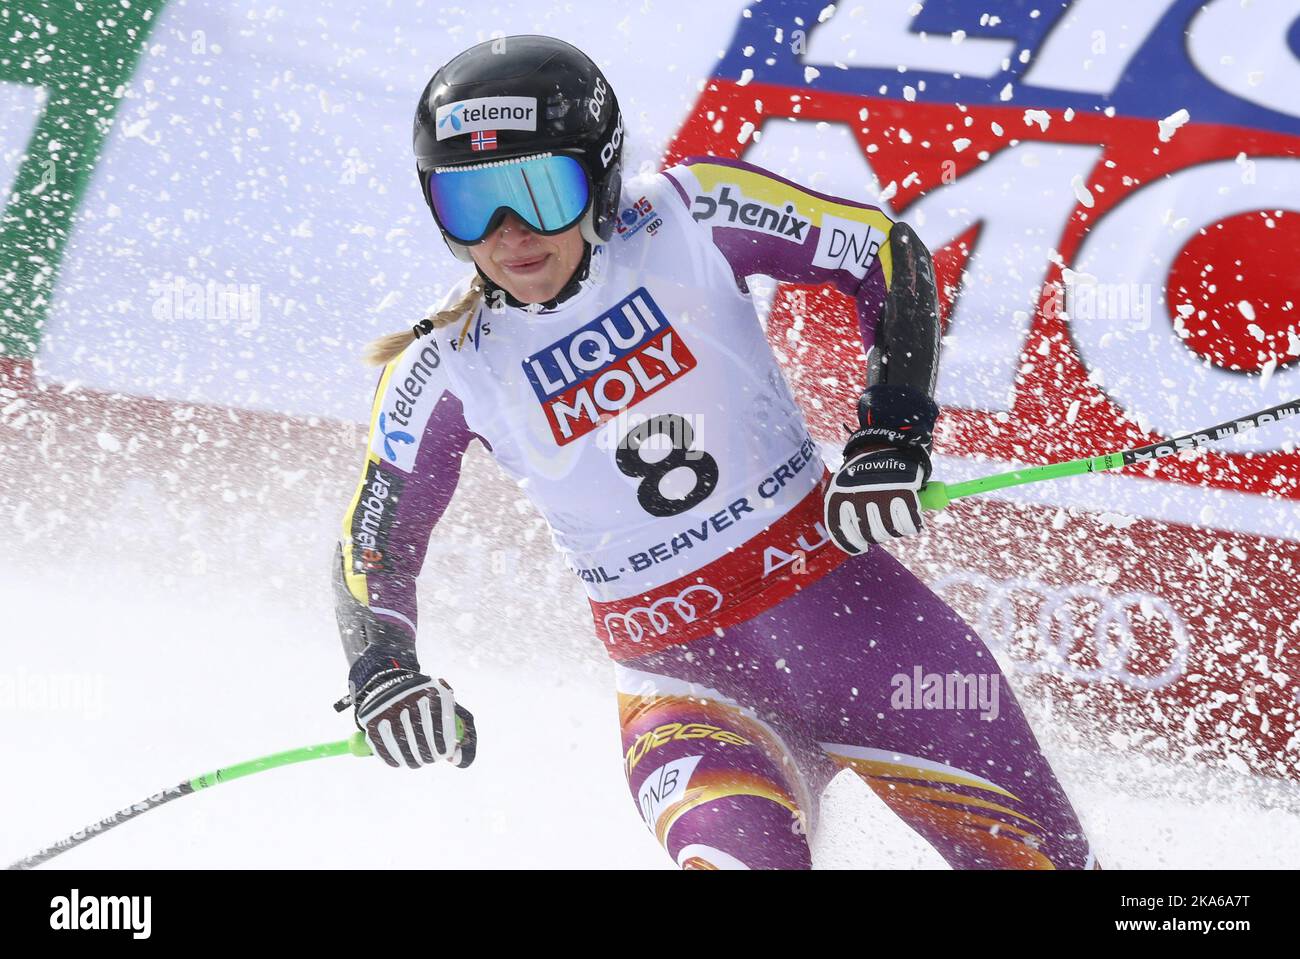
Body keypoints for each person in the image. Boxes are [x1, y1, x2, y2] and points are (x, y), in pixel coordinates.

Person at [332, 35, 1099, 870]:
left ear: (601, 173)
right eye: (469, 203)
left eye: (538, 189)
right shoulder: (442, 365)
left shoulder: (691, 211)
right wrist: (383, 667)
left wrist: (892, 430)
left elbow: (885, 252)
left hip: (872, 640)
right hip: (690, 691)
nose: (509, 234)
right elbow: (376, 543)